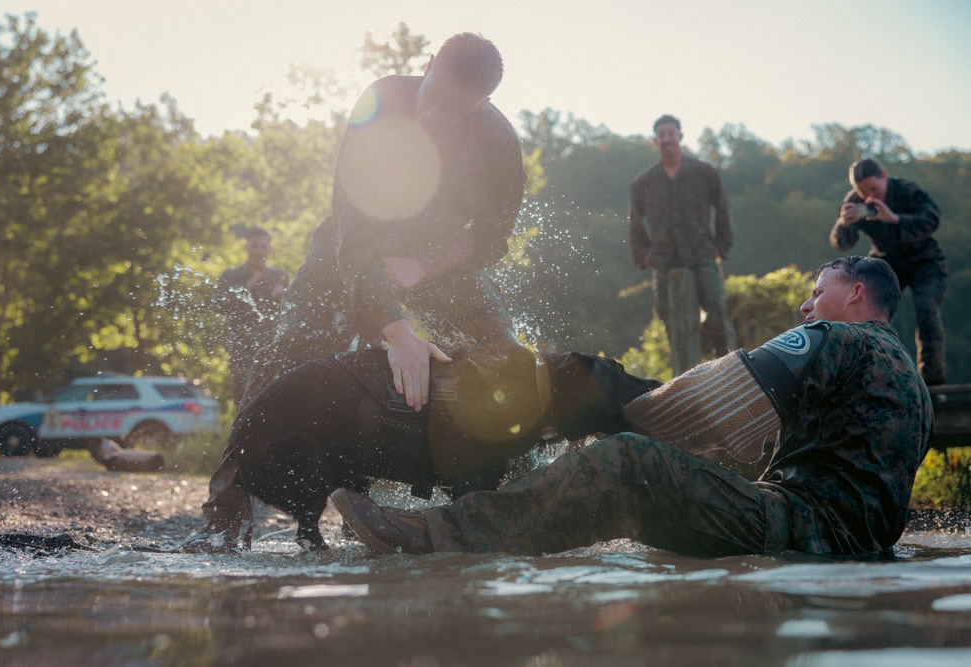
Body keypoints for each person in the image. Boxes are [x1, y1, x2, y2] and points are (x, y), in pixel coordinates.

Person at [332, 256, 933, 558]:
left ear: (855, 292)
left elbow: (717, 398)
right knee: (640, 491)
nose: (806, 307)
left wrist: (614, 410)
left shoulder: (838, 338)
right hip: (853, 543)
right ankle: (491, 535)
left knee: (626, 462)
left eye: (818, 290)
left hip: (803, 529)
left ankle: (435, 535)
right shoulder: (914, 387)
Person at [180, 33, 527, 552]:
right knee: (289, 351)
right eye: (432, 96)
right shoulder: (380, 102)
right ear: (427, 64)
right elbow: (354, 236)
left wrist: (425, 264)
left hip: (439, 257)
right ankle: (227, 506)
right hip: (352, 243)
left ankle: (499, 506)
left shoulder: (498, 142)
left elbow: (494, 237)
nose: (433, 115)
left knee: (507, 361)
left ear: (482, 105)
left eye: (454, 111)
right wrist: (396, 330)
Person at [629, 114, 736, 377]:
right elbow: (634, 222)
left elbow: (722, 209)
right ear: (655, 140)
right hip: (664, 260)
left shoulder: (703, 173)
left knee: (717, 315)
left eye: (671, 133)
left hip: (701, 254)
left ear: (680, 136)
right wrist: (644, 256)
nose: (667, 139)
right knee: (670, 321)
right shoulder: (645, 181)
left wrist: (721, 246)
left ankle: (727, 373)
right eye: (661, 135)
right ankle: (686, 382)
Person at [830, 158, 947, 385]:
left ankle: (933, 382)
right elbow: (841, 244)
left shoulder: (906, 189)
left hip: (925, 260)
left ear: (884, 175)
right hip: (887, 259)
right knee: (865, 309)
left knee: (926, 311)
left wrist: (894, 218)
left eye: (874, 189)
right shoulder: (854, 202)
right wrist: (843, 224)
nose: (868, 196)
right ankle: (872, 378)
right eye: (862, 191)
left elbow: (932, 219)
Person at [213, 227, 288, 407]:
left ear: (269, 249)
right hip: (242, 348)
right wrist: (247, 287)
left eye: (263, 247)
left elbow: (295, 308)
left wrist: (285, 295)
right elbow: (218, 305)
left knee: (273, 397)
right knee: (244, 398)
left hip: (271, 347)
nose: (259, 251)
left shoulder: (279, 276)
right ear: (246, 247)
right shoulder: (232, 276)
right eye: (255, 246)